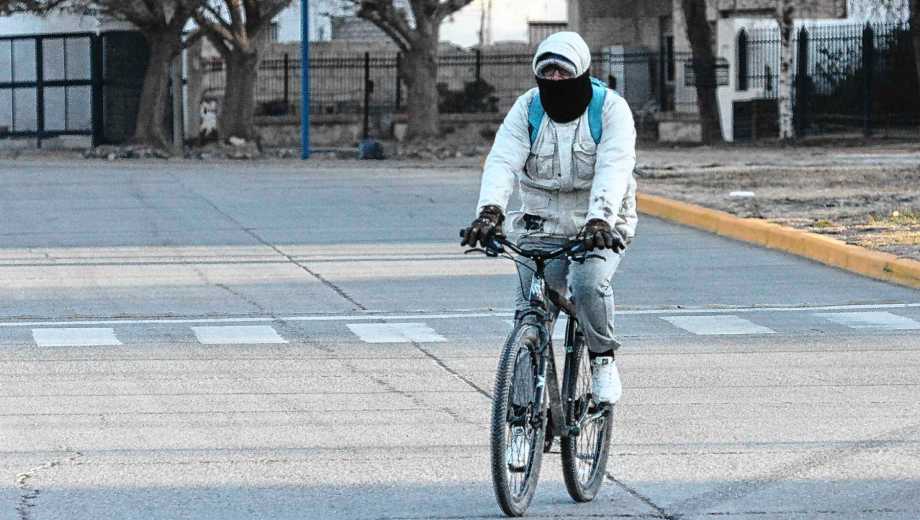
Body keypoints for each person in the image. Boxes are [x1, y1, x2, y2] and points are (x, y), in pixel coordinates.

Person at [461, 31, 637, 406]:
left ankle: (603, 358)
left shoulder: (609, 109)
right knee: (531, 311)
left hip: (599, 226)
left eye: (563, 71)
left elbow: (615, 167)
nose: (555, 80)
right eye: (547, 72)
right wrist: (489, 212)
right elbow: (502, 160)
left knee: (589, 285)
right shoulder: (527, 109)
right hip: (540, 223)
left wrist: (600, 219)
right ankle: (522, 418)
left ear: (582, 72)